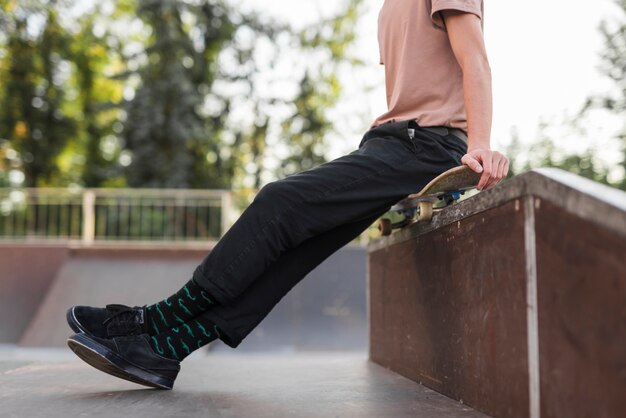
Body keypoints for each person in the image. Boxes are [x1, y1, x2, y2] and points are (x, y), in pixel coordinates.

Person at [66, 0, 509, 389]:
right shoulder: (390, 7)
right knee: (295, 250)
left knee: (280, 202)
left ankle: (156, 319)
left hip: (426, 145)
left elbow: (475, 60)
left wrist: (478, 147)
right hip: (390, 143)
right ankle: (167, 350)